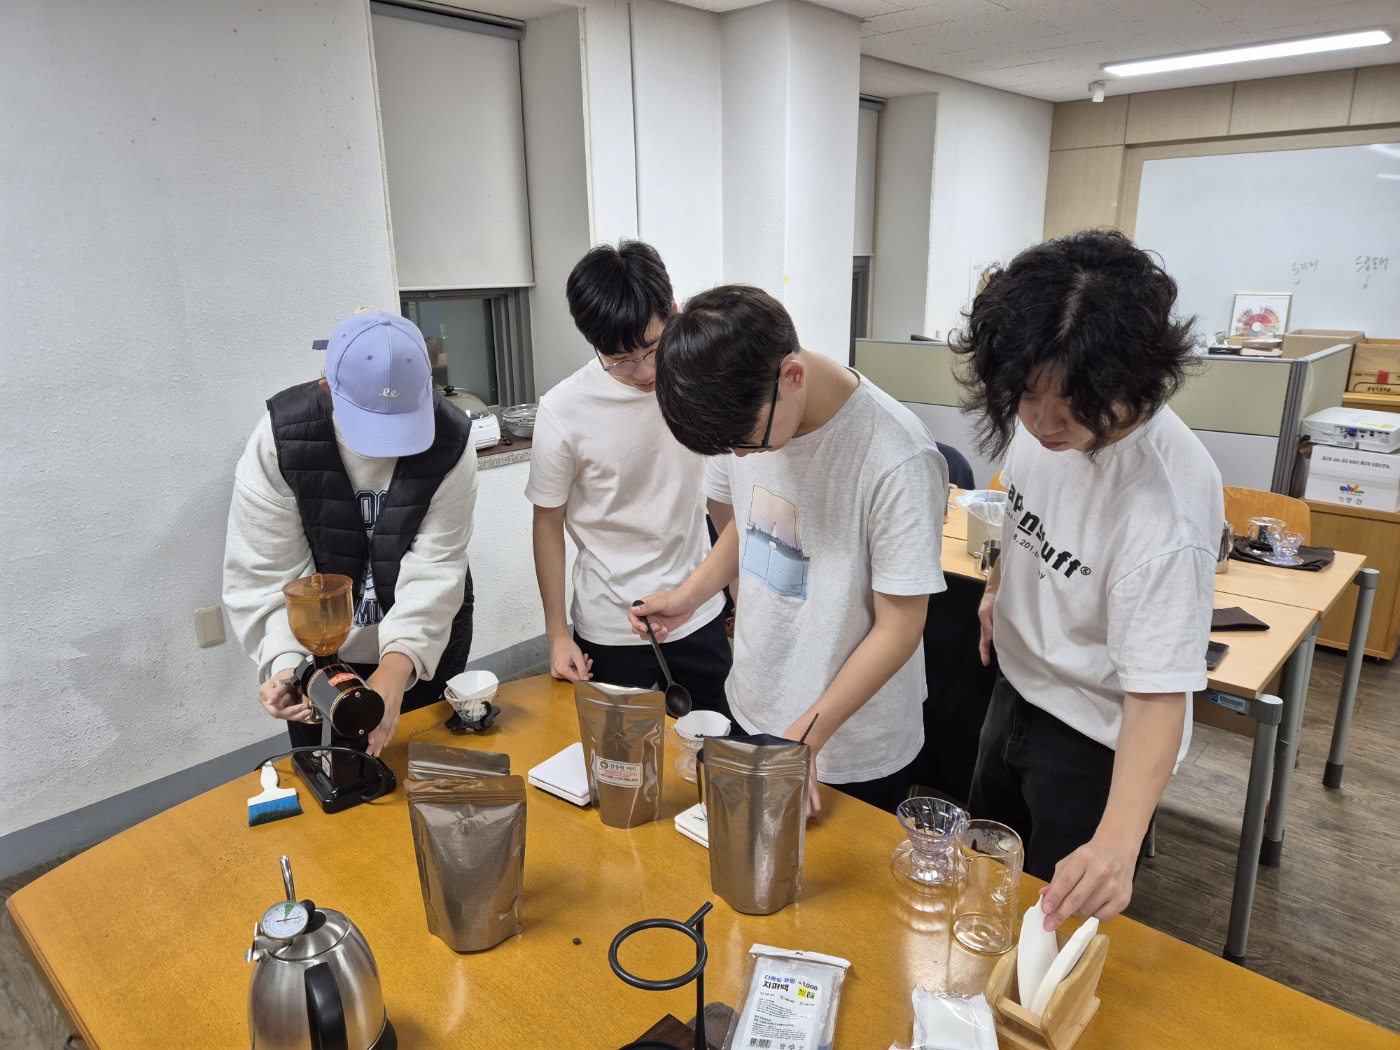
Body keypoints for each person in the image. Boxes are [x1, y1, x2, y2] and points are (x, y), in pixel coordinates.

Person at [951, 228, 1223, 932]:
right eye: (1025, 394)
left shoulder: (1164, 510)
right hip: (1014, 692)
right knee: (982, 892)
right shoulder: (1043, 410)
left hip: (1093, 739)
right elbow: (1020, 507)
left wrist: (1116, 845)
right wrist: (995, 586)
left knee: (1052, 931)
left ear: (1132, 379)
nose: (1042, 421)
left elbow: (1159, 696)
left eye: (1068, 402)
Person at [629, 285, 947, 814]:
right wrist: (691, 594)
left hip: (850, 744)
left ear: (792, 376)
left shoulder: (897, 457)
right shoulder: (746, 412)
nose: (740, 457)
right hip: (757, 699)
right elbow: (757, 518)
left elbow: (901, 627)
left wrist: (808, 737)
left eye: (747, 442)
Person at [224, 308, 477, 757]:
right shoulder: (282, 440)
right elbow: (266, 570)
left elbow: (438, 564)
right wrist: (286, 665)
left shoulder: (452, 439)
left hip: (425, 641)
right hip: (317, 655)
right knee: (330, 774)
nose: (386, 445)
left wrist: (397, 666)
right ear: (327, 387)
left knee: (422, 767)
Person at [526, 242, 733, 714]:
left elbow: (720, 494)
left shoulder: (699, 384)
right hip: (610, 625)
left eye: (652, 348)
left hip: (699, 609)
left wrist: (738, 590)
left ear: (673, 312)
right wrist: (557, 635)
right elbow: (547, 523)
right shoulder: (563, 410)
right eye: (620, 358)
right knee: (620, 757)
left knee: (717, 746)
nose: (643, 371)